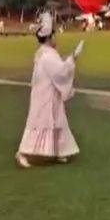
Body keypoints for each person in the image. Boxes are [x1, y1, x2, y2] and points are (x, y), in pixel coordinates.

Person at [16, 25, 84, 168]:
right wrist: (73, 58)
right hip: (45, 96)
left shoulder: (44, 54)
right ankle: (22, 152)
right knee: (39, 122)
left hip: (48, 94)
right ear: (48, 38)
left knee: (57, 121)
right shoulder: (47, 56)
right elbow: (61, 72)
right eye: (53, 36)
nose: (55, 39)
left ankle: (59, 152)